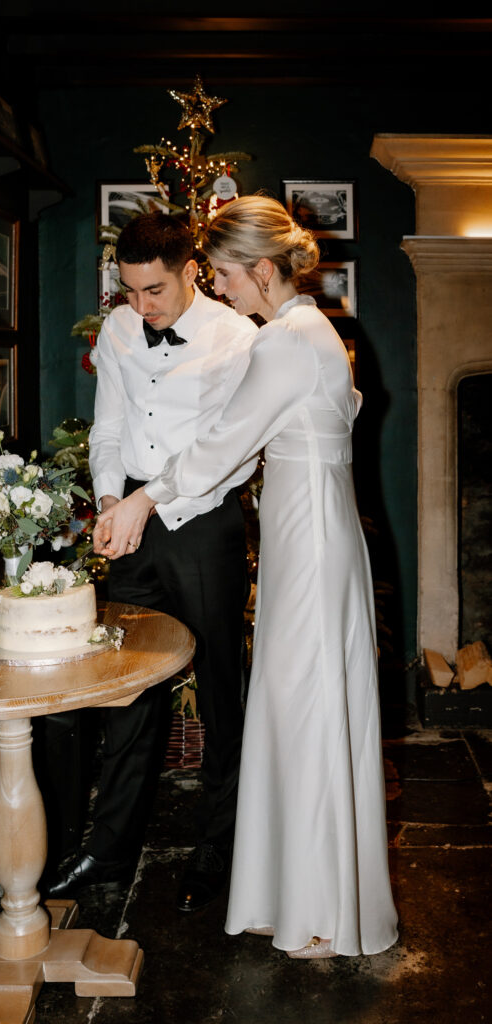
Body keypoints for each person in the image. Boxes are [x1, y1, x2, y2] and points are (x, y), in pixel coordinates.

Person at [95, 195, 399, 957]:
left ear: (262, 270)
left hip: (310, 541)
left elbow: (221, 446)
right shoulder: (310, 333)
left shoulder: (286, 339)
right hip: (312, 527)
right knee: (299, 707)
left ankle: (323, 908)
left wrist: (142, 499)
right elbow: (345, 407)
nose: (219, 288)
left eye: (226, 275)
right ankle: (302, 893)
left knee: (305, 709)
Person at [46, 212, 259, 911]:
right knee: (127, 690)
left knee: (221, 690)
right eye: (131, 292)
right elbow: (107, 427)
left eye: (155, 291)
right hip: (129, 525)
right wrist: (111, 499)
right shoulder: (116, 329)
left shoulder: (236, 338)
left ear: (192, 269)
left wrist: (147, 502)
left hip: (202, 526)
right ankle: (108, 853)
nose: (142, 307)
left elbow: (231, 452)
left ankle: (219, 852)